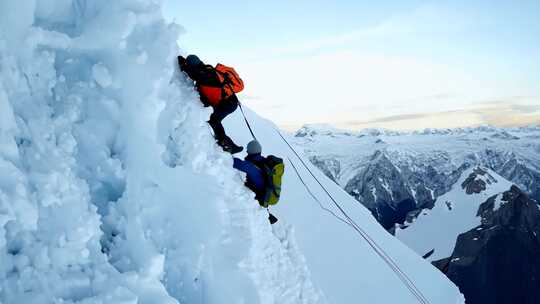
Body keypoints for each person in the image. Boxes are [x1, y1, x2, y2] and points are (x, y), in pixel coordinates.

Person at [177, 54, 243, 154]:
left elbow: (195, 75)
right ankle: (224, 142)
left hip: (227, 103)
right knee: (214, 120)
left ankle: (228, 146)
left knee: (214, 120)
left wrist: (184, 65)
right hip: (229, 102)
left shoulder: (205, 73)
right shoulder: (207, 69)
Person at [233, 140, 283, 224]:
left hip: (259, 194)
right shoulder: (263, 161)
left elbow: (237, 164)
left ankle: (265, 218)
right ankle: (267, 215)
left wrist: (225, 154)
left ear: (250, 151)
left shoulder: (251, 165)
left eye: (248, 149)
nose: (246, 151)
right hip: (265, 191)